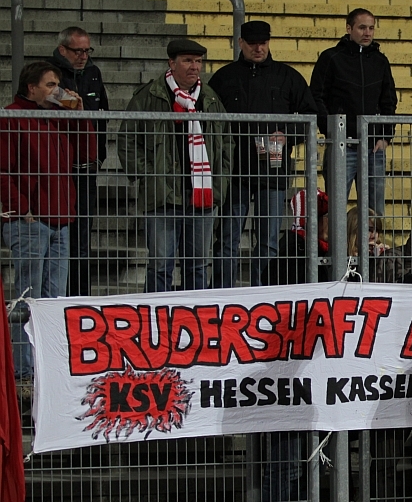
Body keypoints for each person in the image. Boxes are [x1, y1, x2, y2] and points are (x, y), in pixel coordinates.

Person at [1, 61, 96, 394]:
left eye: (57, 84)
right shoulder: (11, 116)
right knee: (28, 297)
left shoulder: (59, 115)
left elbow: (87, 154)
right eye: (50, 84)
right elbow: (3, 170)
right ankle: (23, 371)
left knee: (54, 299)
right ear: (32, 88)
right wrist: (21, 209)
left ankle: (48, 368)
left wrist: (80, 115)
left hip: (60, 218)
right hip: (30, 220)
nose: (57, 90)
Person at [209, 20, 318, 288]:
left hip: (273, 172)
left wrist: (287, 135)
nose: (258, 48)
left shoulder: (288, 76)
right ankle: (223, 293)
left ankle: (263, 295)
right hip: (234, 171)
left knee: (268, 241)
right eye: (252, 43)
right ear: (240, 43)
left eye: (263, 43)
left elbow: (310, 116)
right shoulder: (224, 78)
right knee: (228, 238)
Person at [119, 39, 232, 293]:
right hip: (163, 196)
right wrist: (148, 175)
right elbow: (127, 138)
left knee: (198, 265)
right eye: (188, 61)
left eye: (198, 61)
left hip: (201, 195)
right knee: (160, 265)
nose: (195, 67)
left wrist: (220, 182)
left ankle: (195, 313)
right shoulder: (150, 96)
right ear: (172, 63)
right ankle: (157, 312)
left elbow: (226, 143)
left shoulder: (210, 98)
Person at [310, 8, 397, 214]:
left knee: (374, 212)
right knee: (335, 209)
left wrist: (385, 137)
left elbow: (389, 101)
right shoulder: (331, 58)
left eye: (371, 28)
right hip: (342, 146)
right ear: (349, 28)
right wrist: (331, 131)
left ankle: (370, 239)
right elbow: (316, 97)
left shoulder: (380, 61)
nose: (367, 33)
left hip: (373, 148)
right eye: (362, 28)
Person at [50, 26, 109, 297]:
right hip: (58, 169)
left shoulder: (93, 73)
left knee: (82, 239)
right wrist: (75, 105)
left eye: (87, 50)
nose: (83, 56)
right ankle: (58, 295)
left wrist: (99, 156)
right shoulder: (48, 74)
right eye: (78, 51)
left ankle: (79, 296)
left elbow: (102, 115)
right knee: (60, 236)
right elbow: (50, 99)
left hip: (86, 168)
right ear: (62, 49)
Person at [268, 189, 332, 285]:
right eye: (327, 216)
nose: (332, 222)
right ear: (313, 222)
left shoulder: (328, 249)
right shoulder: (294, 251)